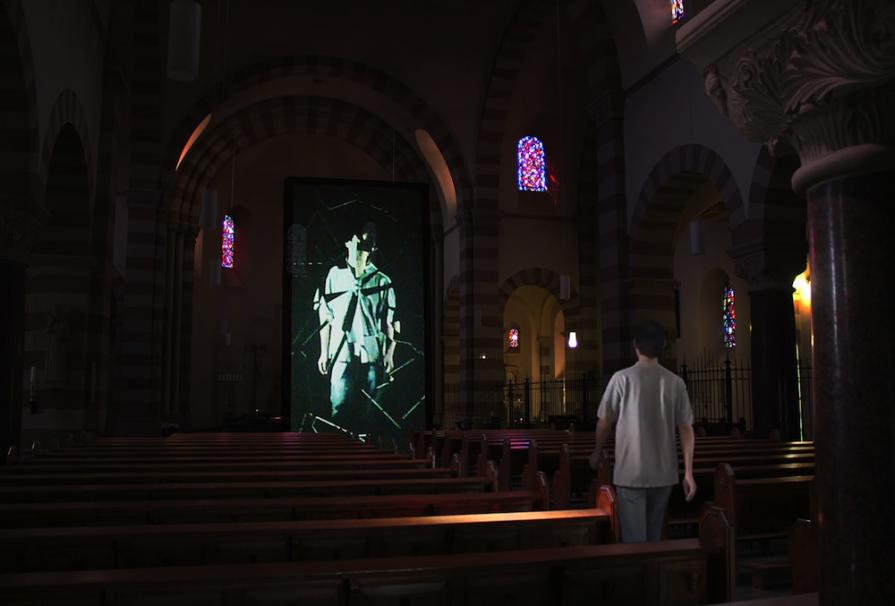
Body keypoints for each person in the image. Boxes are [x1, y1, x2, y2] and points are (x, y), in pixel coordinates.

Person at [589, 321, 697, 543]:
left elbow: (604, 421)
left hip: (631, 473)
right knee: (655, 538)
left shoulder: (622, 379)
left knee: (634, 541)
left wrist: (597, 452)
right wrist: (688, 472)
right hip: (663, 473)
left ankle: (640, 566)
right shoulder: (675, 383)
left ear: (635, 345)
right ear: (663, 346)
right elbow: (686, 428)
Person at [314, 222, 398, 433]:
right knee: (339, 408)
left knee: (369, 412)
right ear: (349, 243)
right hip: (341, 352)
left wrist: (389, 354)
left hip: (372, 355)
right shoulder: (334, 275)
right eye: (361, 242)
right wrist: (323, 352)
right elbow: (325, 316)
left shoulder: (382, 280)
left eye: (370, 243)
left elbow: (388, 321)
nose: (365, 247)